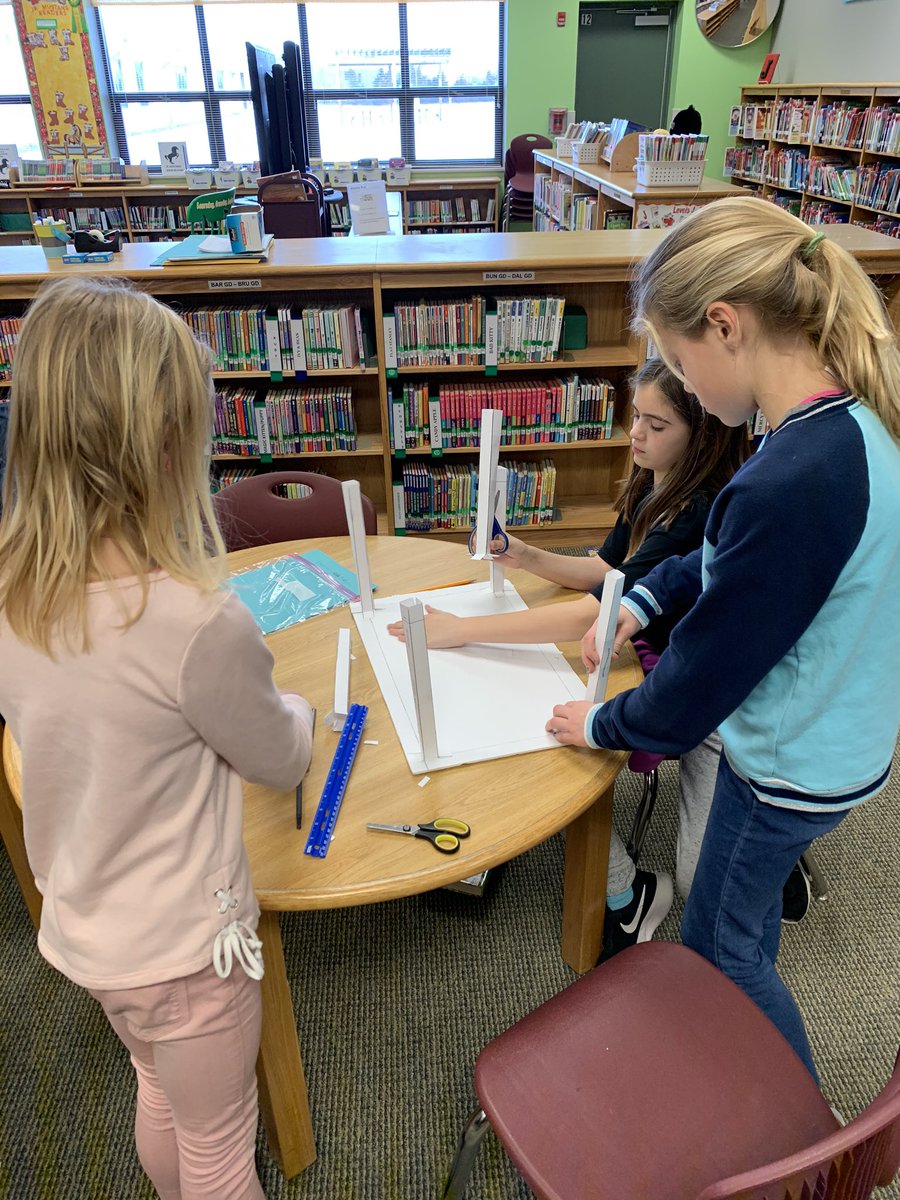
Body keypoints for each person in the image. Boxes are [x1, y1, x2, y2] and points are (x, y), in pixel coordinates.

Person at [547, 197, 900, 1080]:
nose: (687, 390)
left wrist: (602, 725)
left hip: (786, 769)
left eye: (678, 361)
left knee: (721, 948)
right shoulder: (841, 420)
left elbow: (700, 682)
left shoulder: (789, 478)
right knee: (738, 933)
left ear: (725, 325)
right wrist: (644, 600)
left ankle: (799, 1136)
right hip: (845, 738)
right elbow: (726, 559)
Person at [0, 276, 315, 1199]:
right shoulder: (193, 624)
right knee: (220, 1148)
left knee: (158, 1091)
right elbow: (281, 756)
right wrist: (297, 708)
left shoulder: (16, 593)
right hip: (188, 951)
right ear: (162, 447)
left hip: (91, 935)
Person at [387, 359, 748, 958]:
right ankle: (640, 881)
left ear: (701, 435)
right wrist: (523, 553)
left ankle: (770, 852)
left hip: (703, 689)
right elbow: (606, 574)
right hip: (649, 644)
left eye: (655, 425)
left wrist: (465, 631)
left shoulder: (698, 509)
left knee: (699, 878)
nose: (635, 433)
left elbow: (596, 613)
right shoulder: (652, 479)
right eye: (637, 417)